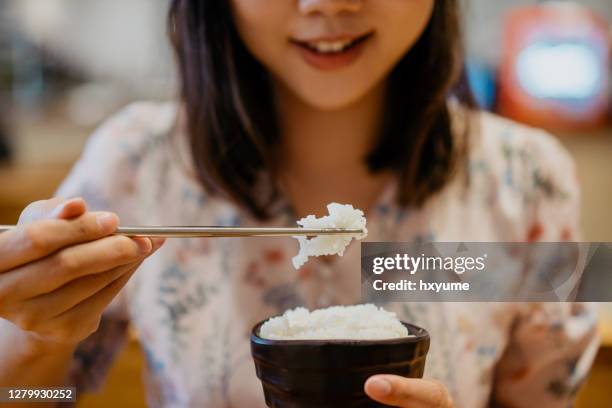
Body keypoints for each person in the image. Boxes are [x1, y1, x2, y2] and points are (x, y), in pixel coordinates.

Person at [0, 1, 599, 407]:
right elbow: (40, 398)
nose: (326, 2)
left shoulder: (531, 180)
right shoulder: (130, 162)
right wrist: (34, 340)